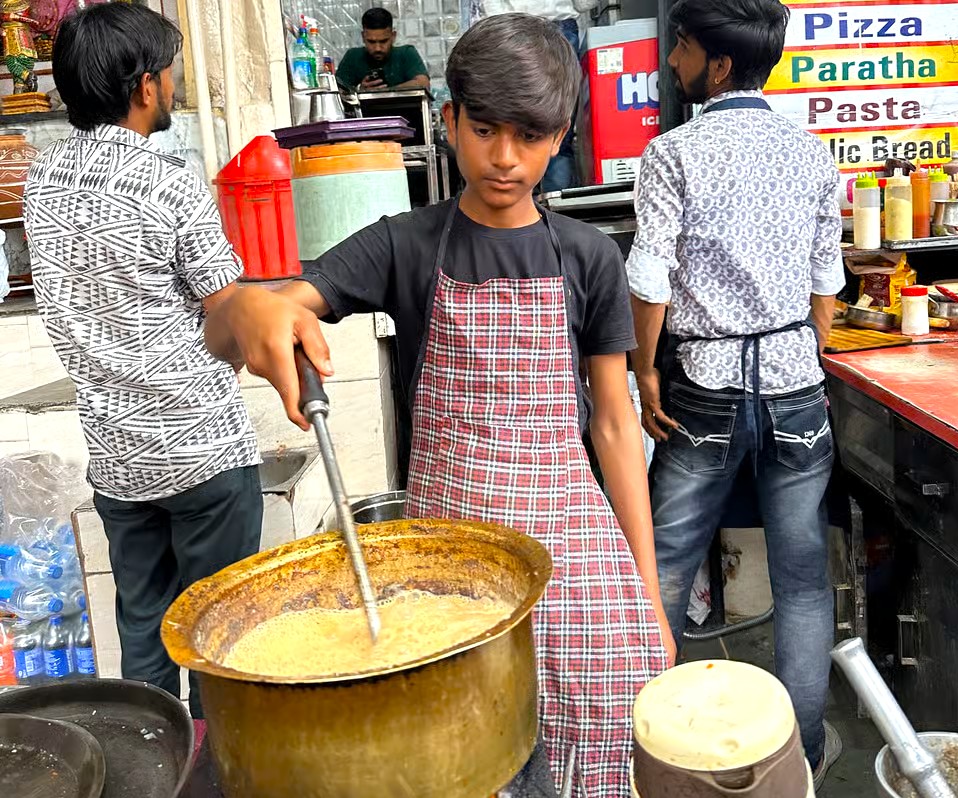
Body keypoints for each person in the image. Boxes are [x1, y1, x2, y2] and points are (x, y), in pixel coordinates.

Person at [206, 14, 673, 796]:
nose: (502, 159)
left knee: (605, 698)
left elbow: (615, 425)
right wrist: (242, 309)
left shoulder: (590, 257)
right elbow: (254, 319)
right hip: (449, 552)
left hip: (572, 534)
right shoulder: (403, 245)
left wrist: (649, 593)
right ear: (448, 119)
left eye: (527, 137)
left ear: (558, 136)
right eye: (484, 129)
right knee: (461, 748)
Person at [625, 0, 844, 789]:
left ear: (716, 64)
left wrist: (645, 370)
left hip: (705, 387)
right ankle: (802, 758)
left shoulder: (672, 154)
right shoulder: (811, 152)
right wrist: (803, 352)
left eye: (680, 49)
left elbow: (648, 277)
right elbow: (827, 281)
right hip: (793, 387)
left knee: (666, 568)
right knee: (800, 579)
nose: (672, 61)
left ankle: (656, 758)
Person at [23, 3, 262, 718]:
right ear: (143, 85)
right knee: (222, 640)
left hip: (119, 461)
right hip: (200, 454)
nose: (172, 83)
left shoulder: (42, 181)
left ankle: (156, 771)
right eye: (167, 72)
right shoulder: (169, 181)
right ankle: (223, 773)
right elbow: (230, 311)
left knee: (145, 638)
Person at [476, 0, 596, 192]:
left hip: (508, 30)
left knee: (509, 133)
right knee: (557, 136)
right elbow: (585, 3)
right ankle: (557, 214)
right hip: (559, 27)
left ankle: (517, 213)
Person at [336, 7, 430, 92]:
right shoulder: (352, 57)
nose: (377, 48)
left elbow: (423, 83)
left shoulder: (406, 54)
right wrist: (360, 90)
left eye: (383, 41)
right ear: (363, 37)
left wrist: (383, 93)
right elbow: (337, 92)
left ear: (393, 36)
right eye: (371, 42)